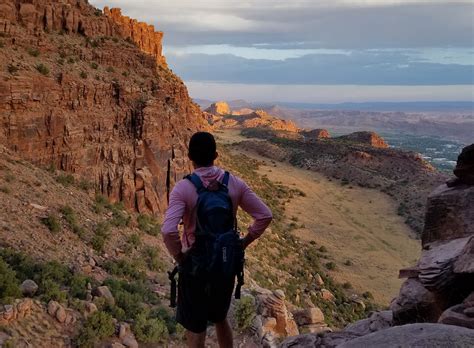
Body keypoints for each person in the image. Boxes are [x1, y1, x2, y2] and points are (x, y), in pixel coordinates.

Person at [162, 132, 273, 348]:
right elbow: (265, 215)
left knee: (196, 327)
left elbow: (168, 231)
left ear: (189, 156)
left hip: (195, 269)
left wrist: (180, 257)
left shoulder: (183, 188)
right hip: (224, 265)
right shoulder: (235, 184)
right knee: (221, 318)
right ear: (216, 155)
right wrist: (243, 243)